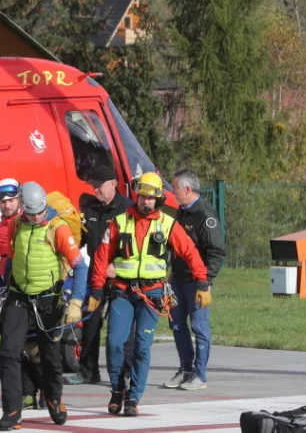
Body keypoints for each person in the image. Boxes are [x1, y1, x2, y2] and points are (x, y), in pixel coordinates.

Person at [87, 172, 211, 417]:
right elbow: (102, 257)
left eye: (151, 198)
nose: (146, 202)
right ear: (137, 196)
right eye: (142, 196)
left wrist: (202, 282)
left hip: (152, 294)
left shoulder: (168, 224)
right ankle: (117, 389)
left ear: (158, 199)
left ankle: (133, 397)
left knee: (142, 347)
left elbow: (189, 252)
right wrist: (96, 290)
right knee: (114, 343)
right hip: (122, 291)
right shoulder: (119, 222)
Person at [0, 181, 88, 431]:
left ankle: (54, 398)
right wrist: (3, 289)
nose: (37, 217)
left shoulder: (57, 228)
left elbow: (80, 266)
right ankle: (12, 411)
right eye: (31, 213)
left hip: (49, 300)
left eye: (40, 212)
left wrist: (76, 302)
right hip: (18, 296)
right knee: (8, 354)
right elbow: (10, 261)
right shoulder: (15, 225)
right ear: (22, 209)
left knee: (49, 357)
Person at [0, 178, 43, 410]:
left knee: (36, 345)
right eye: (2, 202)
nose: (6, 205)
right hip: (10, 292)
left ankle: (47, 389)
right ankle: (26, 395)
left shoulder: (32, 223)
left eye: (10, 200)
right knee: (15, 346)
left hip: (36, 289)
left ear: (20, 200)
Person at [65, 165, 131, 386]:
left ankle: (127, 371)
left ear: (113, 183)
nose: (95, 191)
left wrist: (117, 263)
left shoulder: (128, 210)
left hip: (122, 275)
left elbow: (137, 246)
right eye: (93, 187)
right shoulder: (90, 208)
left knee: (122, 326)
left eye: (99, 186)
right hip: (96, 274)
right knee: (91, 322)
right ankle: (88, 371)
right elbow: (82, 238)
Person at [164, 169, 226, 391]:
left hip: (197, 283)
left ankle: (200, 375)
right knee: (177, 324)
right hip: (178, 280)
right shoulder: (180, 212)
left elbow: (216, 252)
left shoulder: (206, 216)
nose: (173, 192)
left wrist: (205, 282)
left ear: (187, 189)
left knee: (199, 327)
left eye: (175, 188)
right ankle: (185, 370)